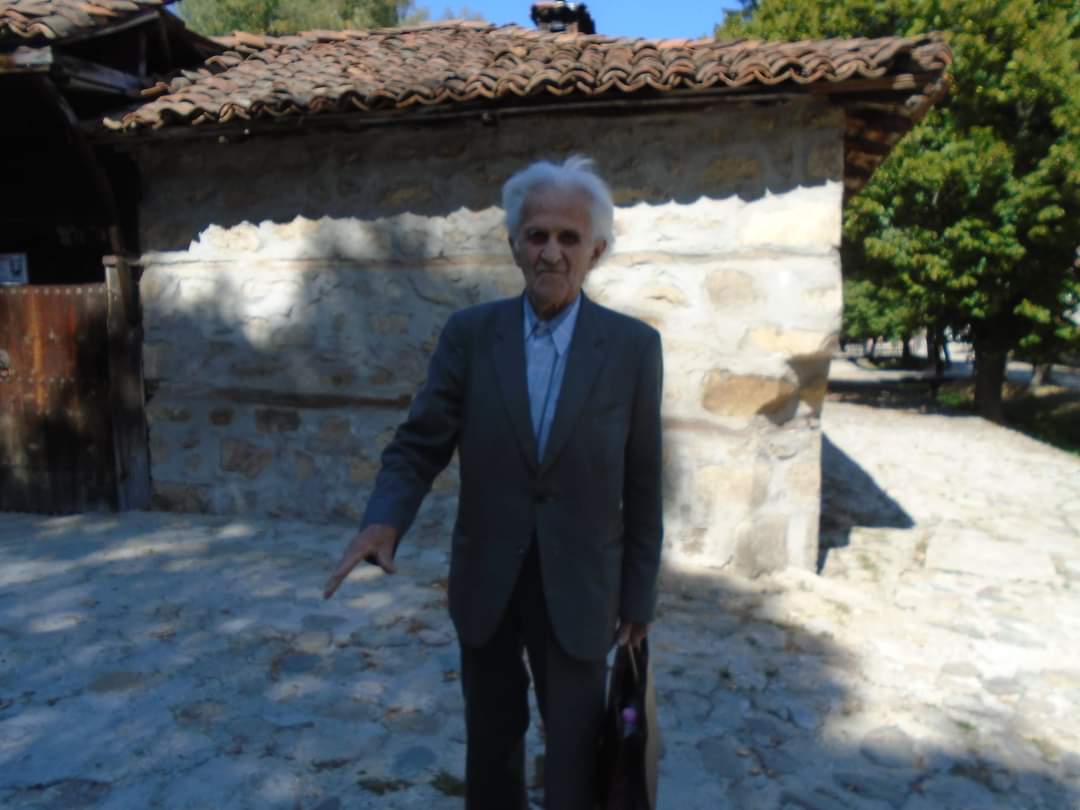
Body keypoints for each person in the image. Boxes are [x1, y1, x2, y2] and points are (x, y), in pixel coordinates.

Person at [324, 156, 664, 810]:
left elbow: (645, 478)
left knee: (576, 749)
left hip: (582, 586)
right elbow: (420, 442)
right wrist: (383, 520)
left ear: (596, 250)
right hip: (488, 582)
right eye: (537, 235)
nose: (551, 252)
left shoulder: (633, 348)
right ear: (513, 244)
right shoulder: (471, 336)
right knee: (491, 743)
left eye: (569, 238)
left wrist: (639, 594)